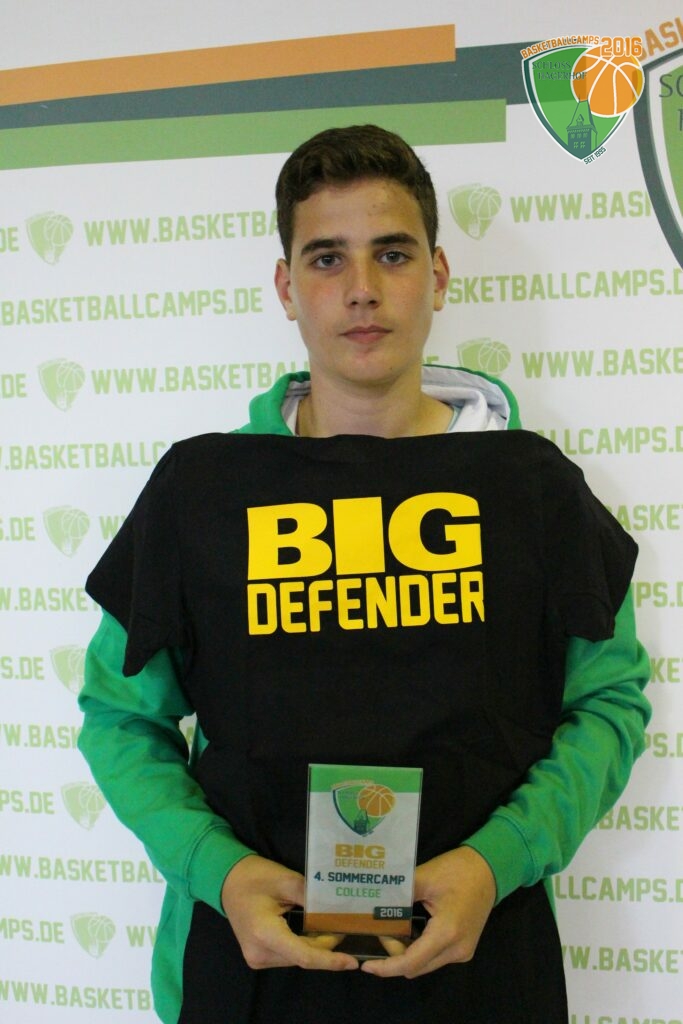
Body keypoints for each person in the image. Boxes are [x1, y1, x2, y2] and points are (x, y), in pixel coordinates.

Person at [78, 125, 650, 1024]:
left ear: (438, 275)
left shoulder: (530, 487)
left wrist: (494, 862)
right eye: (325, 258)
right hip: (248, 977)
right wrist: (218, 871)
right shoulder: (201, 488)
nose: (360, 289)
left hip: (480, 972)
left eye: (391, 253)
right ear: (286, 287)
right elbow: (121, 718)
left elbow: (608, 704)